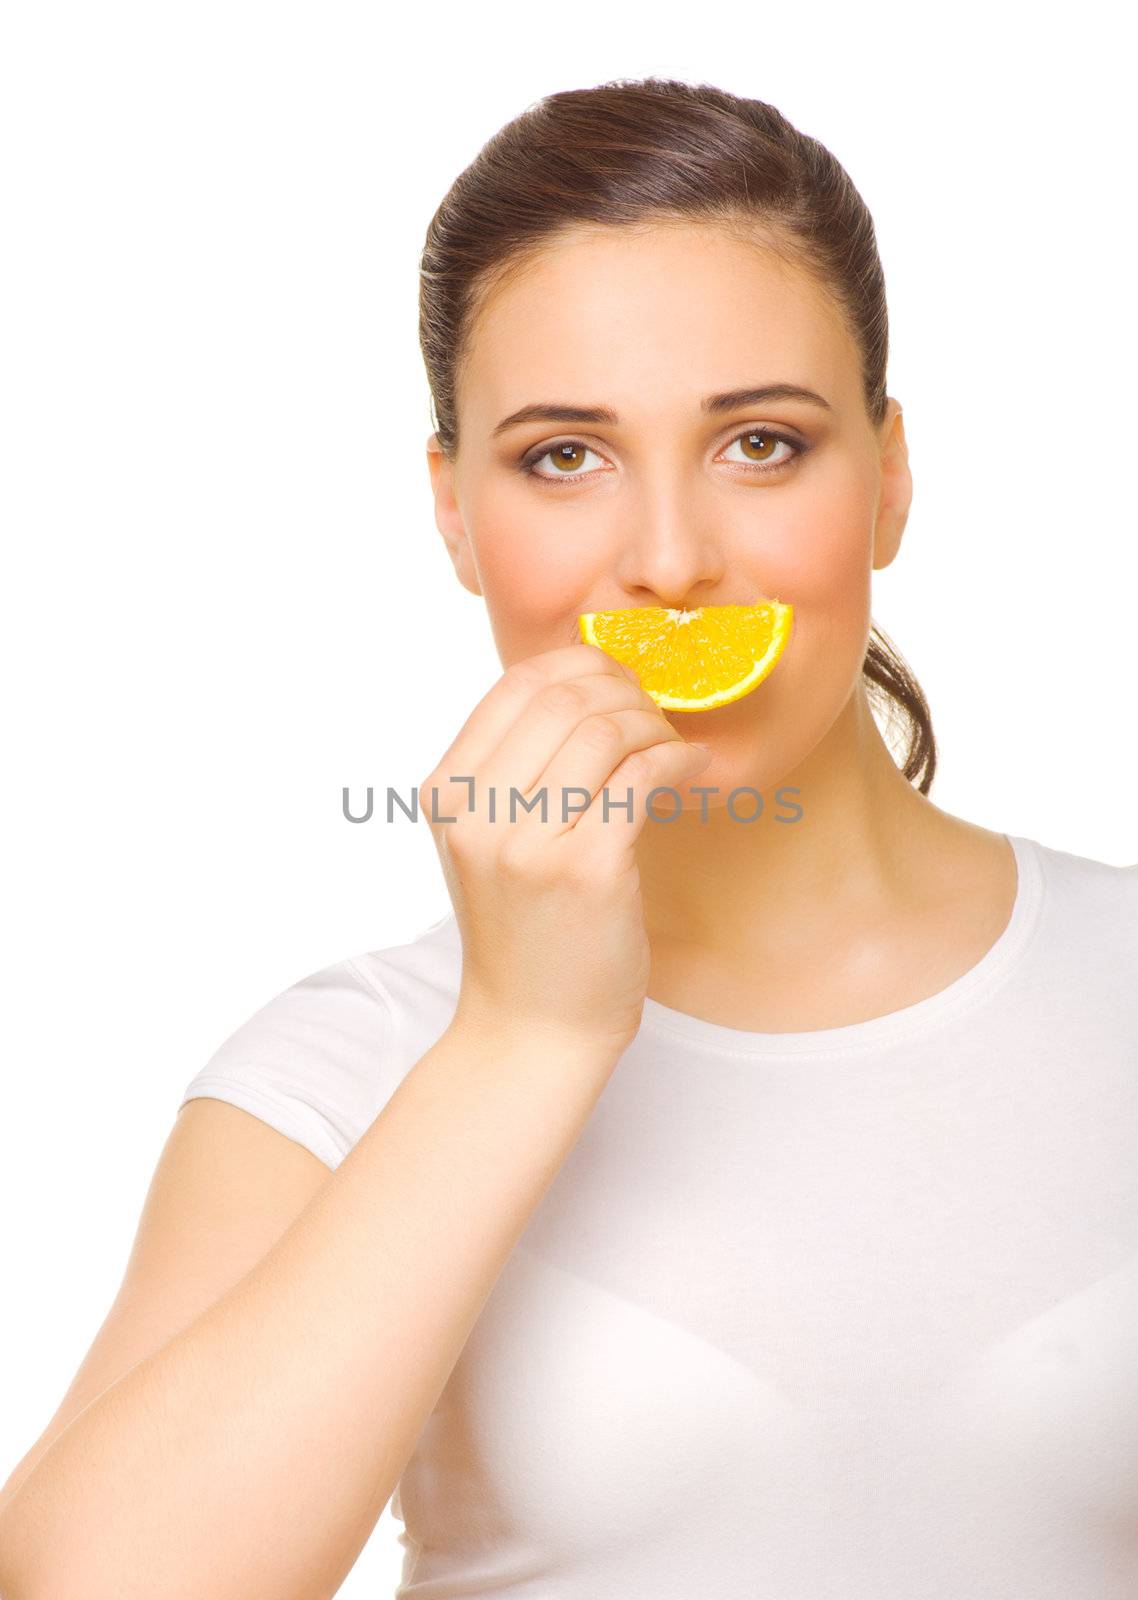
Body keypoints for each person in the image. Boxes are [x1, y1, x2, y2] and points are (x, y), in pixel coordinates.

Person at [1, 75, 1135, 1600]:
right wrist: (523, 1034)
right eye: (561, 457)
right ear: (454, 514)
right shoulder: (342, 1070)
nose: (669, 561)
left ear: (888, 477)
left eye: (759, 444)